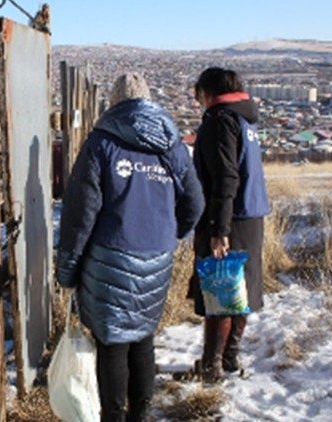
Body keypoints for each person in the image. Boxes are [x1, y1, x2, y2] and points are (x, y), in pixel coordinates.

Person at [56, 73, 205, 421]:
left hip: (109, 256)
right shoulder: (172, 146)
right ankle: (141, 413)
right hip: (157, 256)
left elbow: (80, 213)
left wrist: (68, 268)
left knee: (112, 340)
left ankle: (114, 415)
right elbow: (195, 204)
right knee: (143, 335)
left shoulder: (101, 143)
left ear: (113, 103)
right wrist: (168, 235)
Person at [188, 67, 270, 382]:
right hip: (250, 217)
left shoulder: (220, 122)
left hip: (229, 218)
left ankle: (212, 365)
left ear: (207, 93)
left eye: (199, 96)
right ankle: (230, 356)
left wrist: (218, 230)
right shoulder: (244, 120)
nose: (198, 103)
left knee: (220, 292)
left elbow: (225, 178)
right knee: (241, 290)